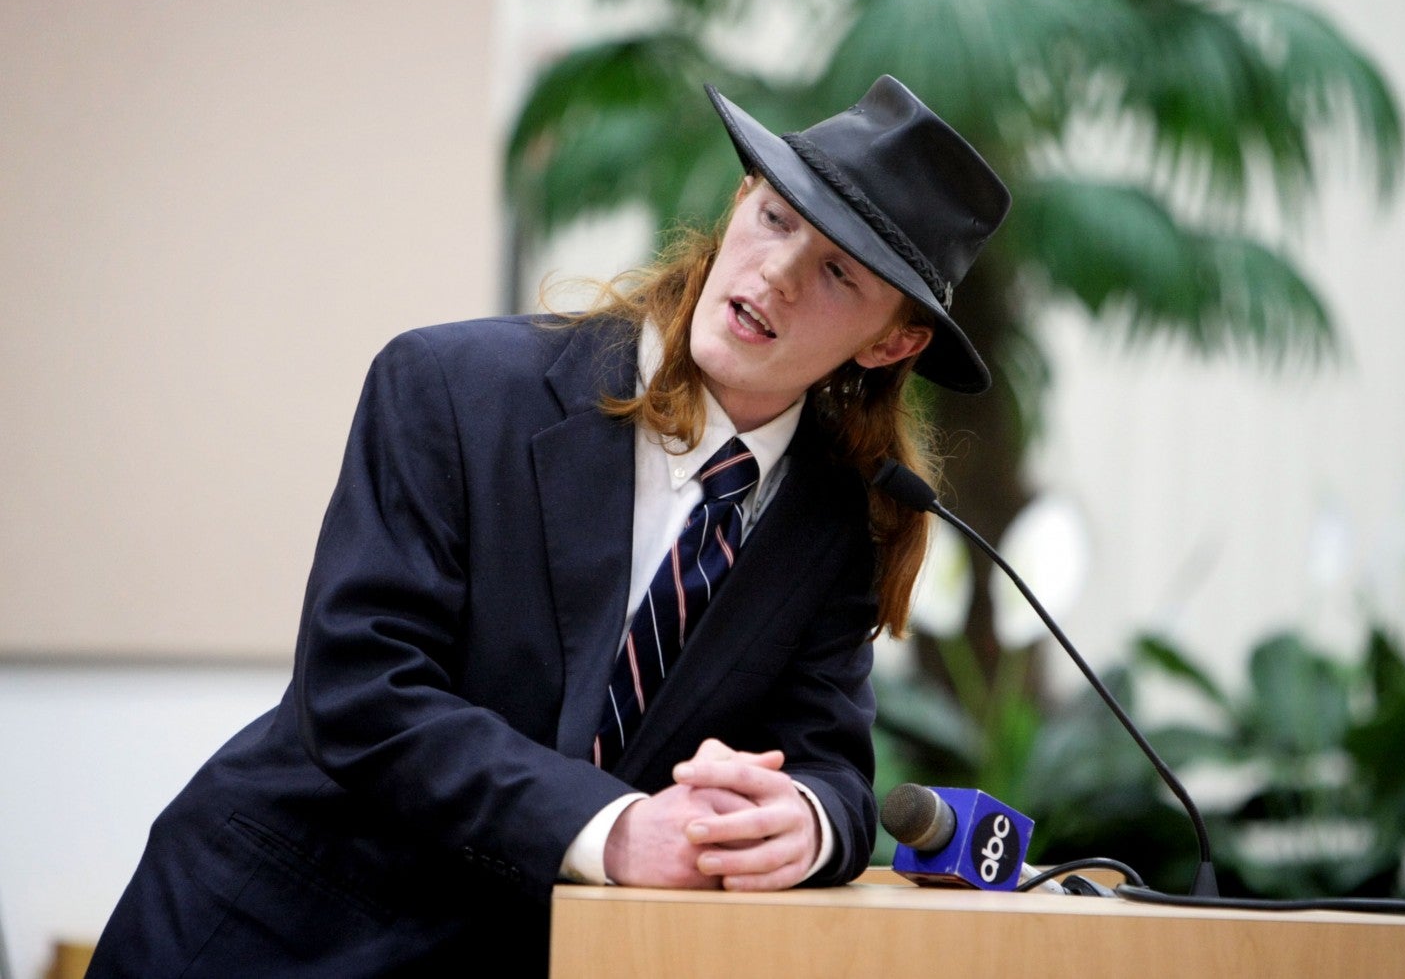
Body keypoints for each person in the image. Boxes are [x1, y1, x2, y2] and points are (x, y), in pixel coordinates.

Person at [85, 75, 1009, 977]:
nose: (776, 275)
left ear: (894, 342)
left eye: (838, 273)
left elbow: (833, 769)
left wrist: (800, 823)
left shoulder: (841, 521)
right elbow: (362, 688)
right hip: (281, 932)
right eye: (776, 219)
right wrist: (607, 827)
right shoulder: (450, 386)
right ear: (740, 201)